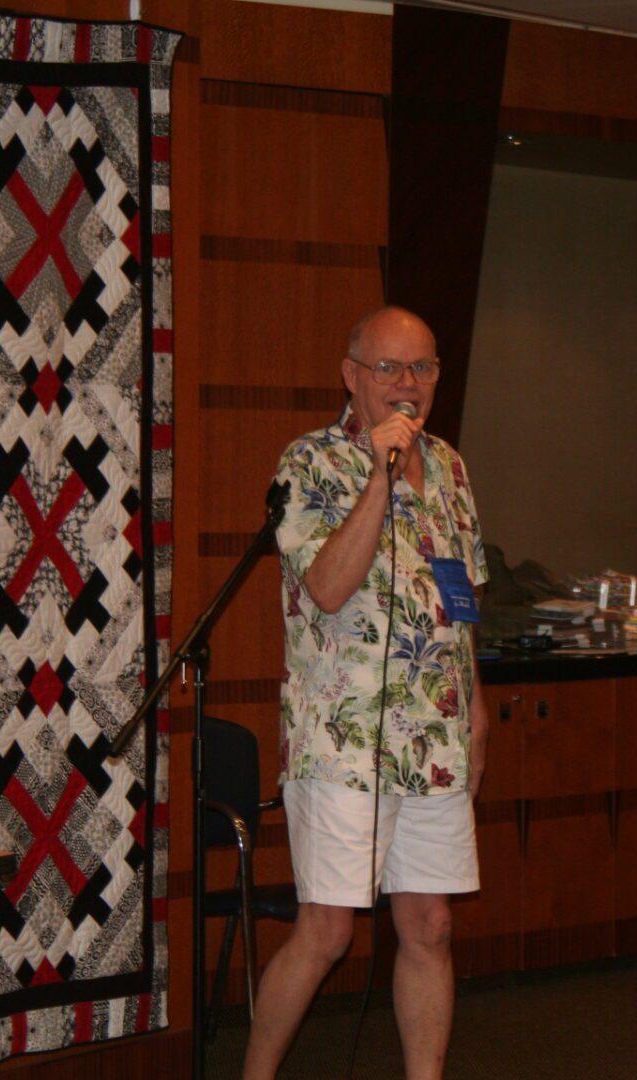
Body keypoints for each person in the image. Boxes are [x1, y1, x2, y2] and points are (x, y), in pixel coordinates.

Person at [243, 306, 489, 1080]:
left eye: (422, 369)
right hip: (343, 741)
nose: (407, 385)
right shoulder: (309, 464)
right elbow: (324, 585)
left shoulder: (449, 466)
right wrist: (379, 478)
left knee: (431, 925)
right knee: (326, 932)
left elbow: (462, 598)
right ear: (351, 377)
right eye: (388, 369)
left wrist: (477, 707)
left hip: (437, 735)